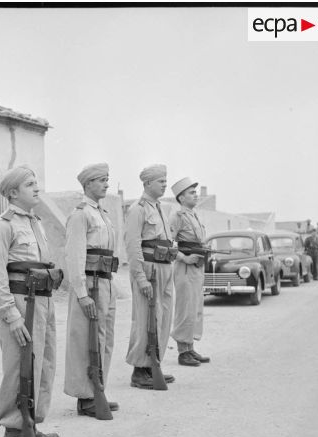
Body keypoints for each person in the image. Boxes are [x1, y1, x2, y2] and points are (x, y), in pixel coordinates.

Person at [0, 165, 61, 437]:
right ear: (13, 192)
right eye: (30, 184)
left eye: (36, 182)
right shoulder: (2, 227)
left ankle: (31, 423)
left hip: (42, 300)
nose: (37, 188)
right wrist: (10, 315)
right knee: (19, 367)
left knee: (42, 364)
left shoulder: (35, 223)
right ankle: (14, 433)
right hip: (19, 304)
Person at [64, 163, 120, 418]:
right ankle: (86, 396)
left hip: (106, 281)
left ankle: (99, 389)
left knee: (104, 338)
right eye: (101, 180)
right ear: (88, 185)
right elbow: (74, 256)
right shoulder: (81, 214)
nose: (107, 184)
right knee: (86, 339)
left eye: (107, 179)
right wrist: (82, 293)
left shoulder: (103, 214)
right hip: (90, 283)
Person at [124, 163, 176, 389]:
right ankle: (140, 369)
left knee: (164, 317)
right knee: (146, 318)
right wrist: (140, 278)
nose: (165, 184)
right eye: (160, 181)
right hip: (149, 269)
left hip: (165, 267)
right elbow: (133, 246)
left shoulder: (162, 208)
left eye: (165, 180)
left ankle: (155, 363)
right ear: (147, 184)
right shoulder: (138, 209)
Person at [170, 177, 210, 367]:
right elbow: (167, 244)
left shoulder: (194, 215)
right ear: (181, 197)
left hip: (197, 266)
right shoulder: (177, 217)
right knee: (185, 308)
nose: (195, 195)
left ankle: (190, 347)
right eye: (191, 193)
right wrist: (184, 258)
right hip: (185, 266)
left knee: (195, 308)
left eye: (195, 192)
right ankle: (182, 352)